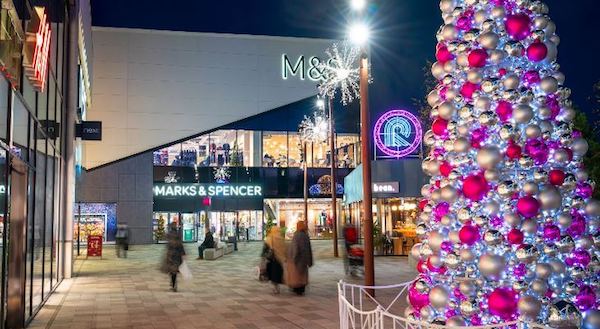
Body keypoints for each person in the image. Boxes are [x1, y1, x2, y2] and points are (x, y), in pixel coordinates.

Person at [286, 221, 313, 295]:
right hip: (304, 259)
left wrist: (293, 258)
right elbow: (309, 249)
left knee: (297, 275)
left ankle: (297, 289)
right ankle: (301, 289)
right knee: (302, 274)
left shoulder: (297, 235)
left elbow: (295, 248)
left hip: (298, 259)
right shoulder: (305, 235)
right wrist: (310, 261)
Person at [262, 227, 287, 294]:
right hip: (280, 260)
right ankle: (277, 286)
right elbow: (284, 248)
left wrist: (263, 257)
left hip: (272, 259)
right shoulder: (281, 238)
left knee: (272, 273)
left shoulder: (269, 238)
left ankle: (275, 287)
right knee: (277, 273)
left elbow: (265, 249)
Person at [162, 224, 185, 292]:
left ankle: (173, 283)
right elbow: (181, 245)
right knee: (174, 270)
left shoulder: (169, 235)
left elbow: (167, 244)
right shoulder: (178, 235)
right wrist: (183, 253)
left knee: (172, 270)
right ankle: (173, 283)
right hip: (177, 255)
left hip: (171, 255)